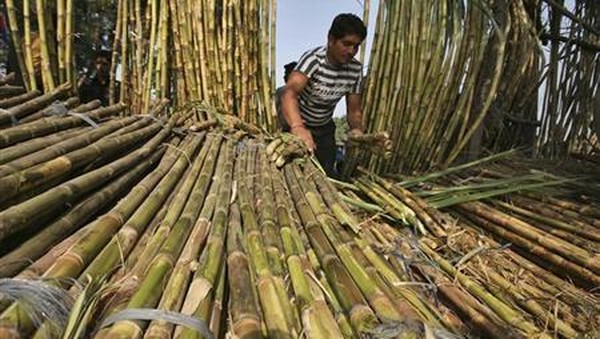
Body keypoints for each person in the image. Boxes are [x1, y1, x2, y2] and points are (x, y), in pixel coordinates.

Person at [281, 13, 366, 177]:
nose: (351, 51)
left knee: (325, 174)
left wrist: (356, 129)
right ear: (331, 39)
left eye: (356, 46)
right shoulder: (313, 60)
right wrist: (298, 127)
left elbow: (354, 110)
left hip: (325, 127)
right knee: (293, 174)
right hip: (298, 121)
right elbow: (289, 93)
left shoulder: (355, 69)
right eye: (346, 44)